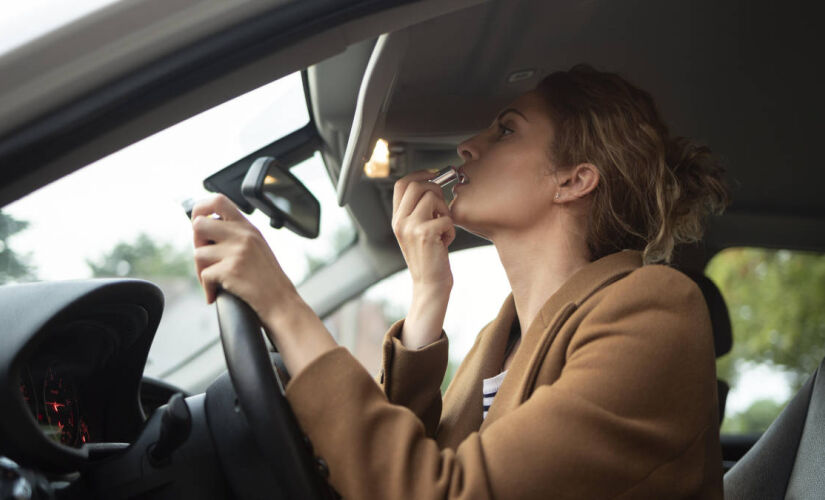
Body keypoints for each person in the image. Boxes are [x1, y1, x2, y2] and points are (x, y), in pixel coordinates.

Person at [190, 64, 730, 499]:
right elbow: (404, 457)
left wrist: (284, 308)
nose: (469, 145)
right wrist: (428, 294)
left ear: (573, 179)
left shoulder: (655, 310)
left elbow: (434, 490)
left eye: (506, 129)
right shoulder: (501, 340)